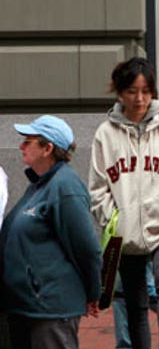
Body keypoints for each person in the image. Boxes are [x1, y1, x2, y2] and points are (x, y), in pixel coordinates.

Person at [87, 57, 159, 349]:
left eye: (146, 91)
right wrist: (113, 217)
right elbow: (98, 187)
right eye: (131, 91)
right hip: (126, 234)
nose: (139, 99)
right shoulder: (105, 134)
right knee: (135, 303)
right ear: (119, 92)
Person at [0, 116, 101, 348]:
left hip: (51, 309)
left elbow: (86, 248)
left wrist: (94, 292)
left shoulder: (65, 186)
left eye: (28, 141)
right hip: (27, 307)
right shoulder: (38, 185)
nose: (21, 146)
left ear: (48, 148)